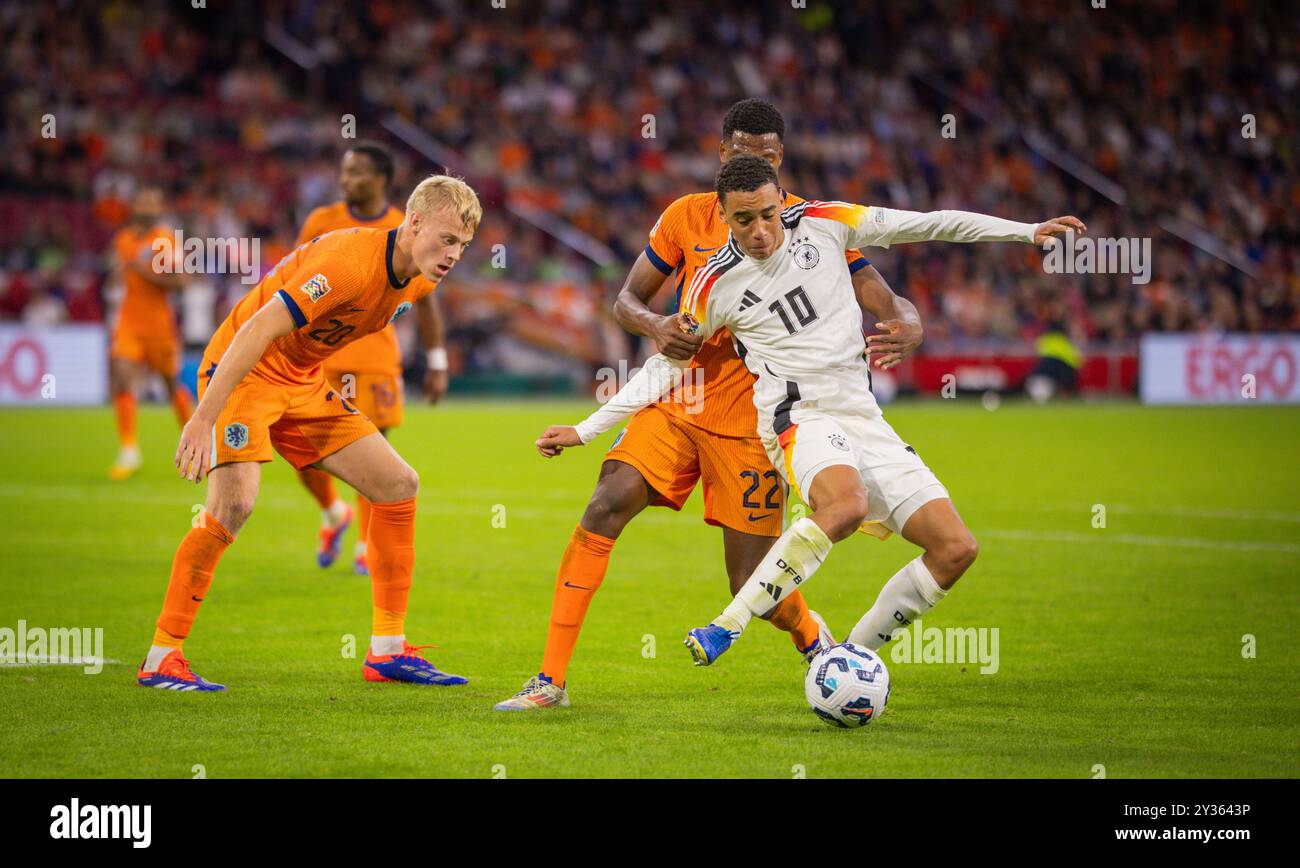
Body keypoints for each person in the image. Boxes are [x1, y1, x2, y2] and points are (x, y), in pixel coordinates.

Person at [538, 155, 1084, 670]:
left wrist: (1024, 232)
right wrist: (587, 430)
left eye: (769, 214)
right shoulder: (714, 285)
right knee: (846, 506)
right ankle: (728, 624)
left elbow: (932, 223)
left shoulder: (825, 221)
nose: (760, 231)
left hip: (862, 415)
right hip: (796, 414)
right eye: (744, 219)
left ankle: (850, 660)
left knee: (955, 548)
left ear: (783, 201)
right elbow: (667, 365)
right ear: (722, 215)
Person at [494, 100, 924, 711]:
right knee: (605, 502)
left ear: (781, 160)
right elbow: (626, 299)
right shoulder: (684, 218)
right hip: (677, 398)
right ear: (721, 153)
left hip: (754, 420)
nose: (756, 159)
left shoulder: (805, 224)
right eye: (744, 149)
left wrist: (906, 319)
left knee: (752, 583)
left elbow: (878, 291)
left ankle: (811, 635)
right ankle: (549, 682)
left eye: (769, 153)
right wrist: (654, 324)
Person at [136, 175, 480, 692]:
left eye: (464, 246)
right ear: (412, 223)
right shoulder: (348, 264)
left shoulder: (421, 280)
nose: (454, 254)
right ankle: (162, 656)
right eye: (447, 239)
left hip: (301, 382)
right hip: (247, 373)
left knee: (398, 485)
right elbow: (258, 329)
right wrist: (204, 415)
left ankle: (387, 652)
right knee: (234, 506)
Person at [292, 143, 450, 574]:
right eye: (344, 172)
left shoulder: (406, 226)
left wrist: (437, 361)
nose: (346, 181)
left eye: (357, 173)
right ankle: (331, 511)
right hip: (319, 353)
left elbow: (427, 301)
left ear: (382, 179)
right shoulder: (321, 222)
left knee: (371, 447)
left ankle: (364, 544)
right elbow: (292, 279)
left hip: (376, 356)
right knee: (302, 448)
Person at [107, 187, 193, 480]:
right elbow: (121, 273)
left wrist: (142, 272)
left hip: (159, 324)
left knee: (171, 385)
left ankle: (195, 444)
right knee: (121, 375)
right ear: (135, 206)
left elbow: (181, 283)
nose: (147, 206)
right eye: (143, 200)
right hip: (129, 320)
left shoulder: (165, 240)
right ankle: (129, 450)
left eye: (153, 201)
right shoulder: (123, 239)